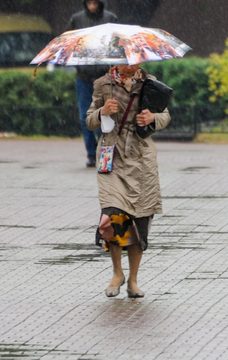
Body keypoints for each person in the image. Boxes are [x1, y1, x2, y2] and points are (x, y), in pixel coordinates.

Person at [87, 63, 170, 298]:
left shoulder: (151, 83)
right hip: (111, 155)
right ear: (115, 62)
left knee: (140, 218)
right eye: (125, 60)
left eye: (134, 60)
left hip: (141, 158)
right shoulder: (102, 84)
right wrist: (102, 111)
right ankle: (117, 272)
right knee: (112, 215)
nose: (130, 65)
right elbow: (90, 120)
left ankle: (133, 280)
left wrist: (152, 117)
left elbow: (166, 115)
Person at [67, 0, 118, 167]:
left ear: (100, 3)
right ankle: (91, 153)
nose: (92, 6)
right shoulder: (77, 20)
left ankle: (105, 154)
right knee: (85, 117)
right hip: (84, 77)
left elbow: (116, 46)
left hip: (105, 78)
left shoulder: (110, 20)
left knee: (105, 117)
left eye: (94, 2)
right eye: (89, 2)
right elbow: (69, 43)